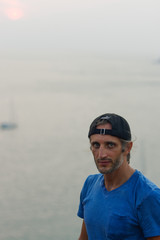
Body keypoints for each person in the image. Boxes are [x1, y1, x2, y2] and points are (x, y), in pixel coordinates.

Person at [77, 113, 160, 240]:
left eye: (110, 145)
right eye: (96, 145)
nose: (101, 154)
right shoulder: (90, 184)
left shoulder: (148, 196)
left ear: (127, 147)